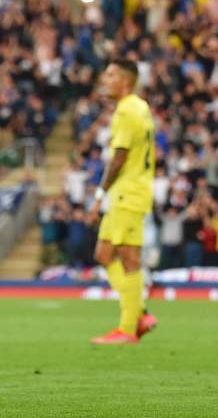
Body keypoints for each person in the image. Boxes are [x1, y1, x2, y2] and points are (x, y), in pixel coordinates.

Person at [89, 59, 158, 344]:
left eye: (111, 75)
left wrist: (98, 195)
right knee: (104, 255)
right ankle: (139, 312)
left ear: (126, 81)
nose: (105, 79)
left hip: (126, 193)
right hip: (131, 190)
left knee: (128, 258)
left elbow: (118, 158)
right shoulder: (140, 106)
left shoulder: (126, 110)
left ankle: (127, 329)